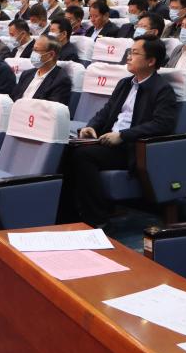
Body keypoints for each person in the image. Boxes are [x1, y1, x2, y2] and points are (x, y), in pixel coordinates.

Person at [70, 37, 178, 227]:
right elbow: (106, 111)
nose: (128, 57)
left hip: (131, 148)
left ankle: (96, 219)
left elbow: (162, 124)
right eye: (129, 52)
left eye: (135, 53)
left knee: (83, 156)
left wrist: (122, 136)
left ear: (151, 61)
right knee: (67, 149)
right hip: (109, 141)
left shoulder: (162, 89)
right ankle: (70, 215)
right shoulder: (125, 83)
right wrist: (91, 126)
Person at [11, 36, 73, 105]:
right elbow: (13, 98)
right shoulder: (26, 74)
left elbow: (50, 109)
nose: (33, 54)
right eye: (33, 50)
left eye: (36, 50)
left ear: (51, 55)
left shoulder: (61, 81)